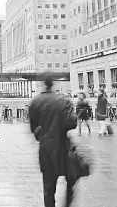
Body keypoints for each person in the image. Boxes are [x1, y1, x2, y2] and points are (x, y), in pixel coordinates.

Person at [29, 73, 78, 207]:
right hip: (63, 147)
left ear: (43, 83)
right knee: (71, 178)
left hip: (46, 148)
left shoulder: (36, 102)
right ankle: (67, 203)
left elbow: (33, 127)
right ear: (53, 84)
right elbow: (72, 123)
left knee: (49, 187)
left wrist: (42, 135)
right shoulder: (63, 101)